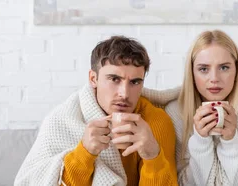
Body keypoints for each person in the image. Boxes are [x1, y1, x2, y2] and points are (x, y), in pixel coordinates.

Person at [14, 36, 178, 186]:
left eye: (135, 82)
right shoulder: (63, 119)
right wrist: (84, 153)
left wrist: (152, 156)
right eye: (114, 79)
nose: (124, 93)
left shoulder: (156, 121)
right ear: (93, 79)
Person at [142, 30, 238, 186]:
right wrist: (200, 141)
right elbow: (181, 183)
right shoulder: (176, 112)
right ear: (192, 73)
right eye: (203, 69)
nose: (214, 79)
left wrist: (231, 142)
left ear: (236, 70)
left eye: (224, 68)